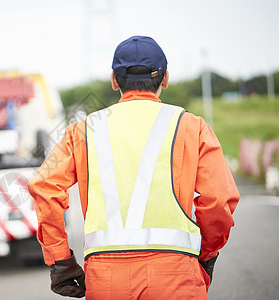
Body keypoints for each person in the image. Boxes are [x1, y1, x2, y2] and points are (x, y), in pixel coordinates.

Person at [27, 35, 239, 299]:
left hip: (106, 280)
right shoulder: (193, 127)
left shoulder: (81, 131)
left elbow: (43, 187)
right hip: (175, 275)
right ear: (165, 78)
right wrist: (206, 255)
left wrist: (60, 261)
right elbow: (219, 200)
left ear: (114, 80)